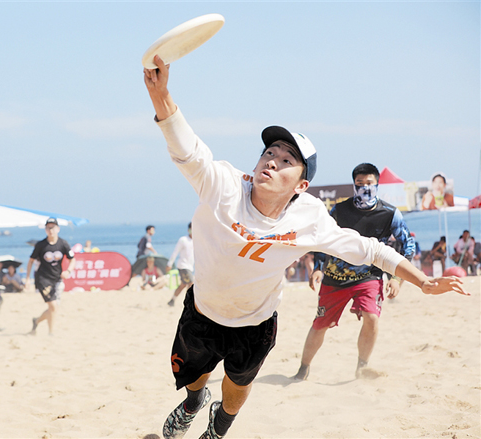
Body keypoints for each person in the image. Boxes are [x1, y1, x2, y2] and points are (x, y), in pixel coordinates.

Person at [143, 55, 467, 439]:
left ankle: (217, 428)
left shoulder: (310, 216)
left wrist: (422, 281)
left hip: (255, 323)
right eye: (269, 153)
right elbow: (188, 151)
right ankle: (194, 402)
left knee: (236, 391)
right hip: (204, 312)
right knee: (195, 378)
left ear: (301, 185)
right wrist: (161, 96)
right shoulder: (224, 185)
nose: (272, 161)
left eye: (286, 160)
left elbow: (371, 250)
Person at [293, 163, 416, 381]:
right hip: (336, 278)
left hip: (370, 276)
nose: (365, 188)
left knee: (372, 317)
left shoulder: (390, 214)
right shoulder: (339, 210)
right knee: (320, 324)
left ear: (377, 184)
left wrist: (397, 279)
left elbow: (408, 246)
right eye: (360, 183)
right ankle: (303, 369)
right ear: (354, 185)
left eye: (369, 183)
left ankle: (362, 367)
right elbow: (322, 239)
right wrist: (318, 268)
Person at [25, 218, 75, 336]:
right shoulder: (41, 245)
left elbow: (72, 259)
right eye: (48, 228)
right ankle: (51, 333)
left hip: (57, 279)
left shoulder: (63, 244)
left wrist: (68, 271)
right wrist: (27, 279)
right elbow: (30, 261)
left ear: (58, 229)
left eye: (53, 227)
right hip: (43, 279)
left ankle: (36, 321)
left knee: (54, 308)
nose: (50, 230)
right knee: (52, 306)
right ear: (45, 229)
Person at [167, 223, 194, 306]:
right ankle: (189, 303)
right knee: (191, 283)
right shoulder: (183, 240)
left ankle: (172, 300)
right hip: (183, 266)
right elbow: (175, 252)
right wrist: (169, 263)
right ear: (188, 230)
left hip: (190, 267)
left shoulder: (197, 241)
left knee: (183, 285)